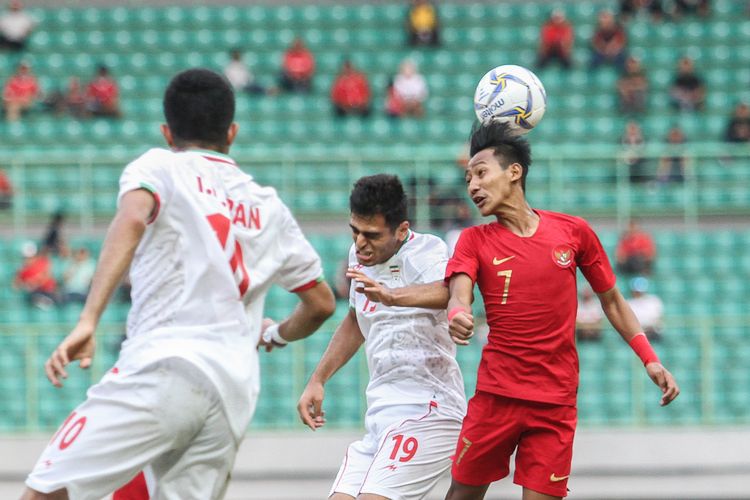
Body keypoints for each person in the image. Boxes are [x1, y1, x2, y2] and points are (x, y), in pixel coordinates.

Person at [21, 68, 335, 500]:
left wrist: (89, 318)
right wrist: (276, 334)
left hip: (164, 365)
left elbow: (132, 216)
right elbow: (320, 302)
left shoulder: (160, 166)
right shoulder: (268, 206)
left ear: (167, 132)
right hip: (232, 391)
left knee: (45, 492)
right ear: (233, 132)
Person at [442, 122, 678, 500]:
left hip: (554, 403)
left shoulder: (573, 232)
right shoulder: (473, 239)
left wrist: (649, 358)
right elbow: (459, 293)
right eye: (468, 178)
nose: (472, 186)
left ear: (514, 172)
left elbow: (613, 301)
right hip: (495, 398)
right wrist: (457, 315)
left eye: (481, 173)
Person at [297, 174, 466, 500]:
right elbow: (355, 319)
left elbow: (448, 292)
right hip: (380, 417)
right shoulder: (357, 257)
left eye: (372, 235)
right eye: (355, 231)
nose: (360, 242)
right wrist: (318, 379)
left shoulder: (428, 251)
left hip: (429, 410)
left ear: (402, 230)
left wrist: (391, 296)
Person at [13, 241, 58, 310]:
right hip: (33, 293)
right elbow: (15, 285)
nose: (28, 259)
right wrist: (24, 284)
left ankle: (46, 302)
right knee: (32, 296)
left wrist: (33, 283)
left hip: (47, 291)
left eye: (30, 257)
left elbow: (46, 276)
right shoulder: (22, 269)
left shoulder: (43, 262)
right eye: (26, 257)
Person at [626, 277, 664, 341]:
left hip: (652, 333)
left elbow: (658, 320)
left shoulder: (653, 300)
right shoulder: (628, 303)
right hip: (636, 334)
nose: (638, 293)